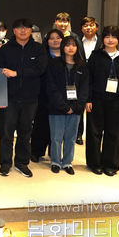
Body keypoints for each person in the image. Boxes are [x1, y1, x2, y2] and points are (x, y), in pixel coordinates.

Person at [0, 17, 48, 177]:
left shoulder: (38, 49)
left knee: (25, 133)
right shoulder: (5, 49)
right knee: (6, 134)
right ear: (13, 31)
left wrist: (16, 73)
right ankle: (5, 163)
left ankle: (22, 163)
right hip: (9, 98)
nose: (23, 30)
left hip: (30, 98)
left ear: (31, 30)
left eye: (26, 27)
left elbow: (40, 68)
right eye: (19, 27)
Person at [86, 25, 119, 176]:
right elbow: (88, 79)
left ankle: (111, 164)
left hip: (116, 101)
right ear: (103, 39)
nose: (110, 40)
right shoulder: (95, 56)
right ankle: (94, 163)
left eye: (114, 37)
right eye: (107, 36)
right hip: (97, 100)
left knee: (113, 133)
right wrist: (88, 99)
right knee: (94, 132)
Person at [46, 36, 89, 175]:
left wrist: (76, 106)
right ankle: (55, 161)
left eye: (74, 45)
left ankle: (67, 162)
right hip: (57, 107)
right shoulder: (54, 64)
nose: (71, 48)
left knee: (71, 137)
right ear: (62, 47)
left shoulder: (82, 65)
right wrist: (63, 106)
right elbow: (51, 87)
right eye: (67, 45)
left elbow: (84, 89)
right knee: (56, 137)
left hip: (76, 108)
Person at [30, 29, 63, 163]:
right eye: (51, 38)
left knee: (58, 126)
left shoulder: (68, 54)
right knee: (41, 124)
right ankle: (36, 151)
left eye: (58, 38)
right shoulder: (42, 54)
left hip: (61, 96)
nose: (55, 40)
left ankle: (54, 152)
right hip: (43, 95)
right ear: (47, 41)